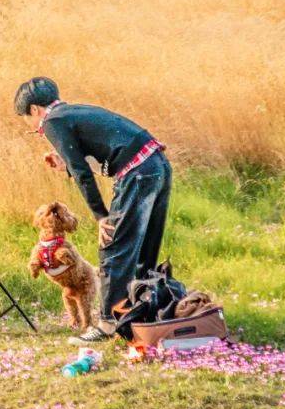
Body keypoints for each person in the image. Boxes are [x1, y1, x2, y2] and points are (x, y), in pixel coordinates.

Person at [14, 77, 171, 346]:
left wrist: (101, 216)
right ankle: (145, 312)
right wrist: (67, 164)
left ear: (34, 110)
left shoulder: (51, 121)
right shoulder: (75, 112)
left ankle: (108, 325)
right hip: (157, 166)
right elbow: (107, 154)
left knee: (112, 246)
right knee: (144, 247)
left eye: (28, 121)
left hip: (138, 174)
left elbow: (83, 174)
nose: (33, 126)